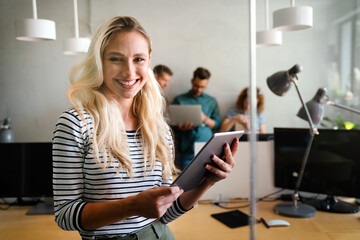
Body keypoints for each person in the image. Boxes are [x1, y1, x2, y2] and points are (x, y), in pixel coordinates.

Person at [52, 16, 238, 240]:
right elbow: (64, 215)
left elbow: (165, 214)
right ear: (100, 62)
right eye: (116, 59)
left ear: (148, 61)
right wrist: (131, 206)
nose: (129, 72)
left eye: (138, 59)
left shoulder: (156, 127)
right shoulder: (75, 124)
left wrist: (207, 182)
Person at [172, 67, 221, 170]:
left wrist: (205, 119)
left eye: (203, 87)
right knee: (186, 183)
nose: (199, 89)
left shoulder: (211, 101)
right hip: (187, 149)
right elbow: (173, 125)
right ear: (192, 81)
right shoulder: (179, 99)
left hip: (206, 149)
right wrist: (181, 128)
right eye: (196, 86)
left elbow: (217, 124)